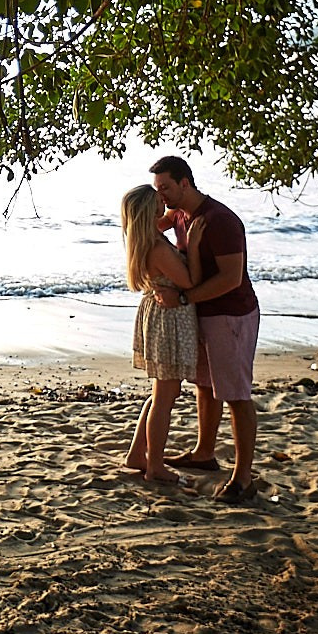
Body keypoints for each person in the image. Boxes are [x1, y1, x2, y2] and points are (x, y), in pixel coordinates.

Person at [149, 155, 261, 503]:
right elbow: (148, 225)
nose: (161, 195)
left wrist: (183, 297)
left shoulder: (220, 220)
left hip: (230, 314)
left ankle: (243, 478)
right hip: (202, 312)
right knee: (205, 386)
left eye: (165, 187)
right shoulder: (180, 213)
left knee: (236, 395)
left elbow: (231, 278)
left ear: (185, 183)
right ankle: (204, 453)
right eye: (157, 189)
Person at [119, 184, 201, 483]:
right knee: (164, 396)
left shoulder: (146, 240)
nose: (164, 203)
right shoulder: (156, 247)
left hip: (160, 315)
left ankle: (137, 454)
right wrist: (195, 244)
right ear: (151, 210)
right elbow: (190, 281)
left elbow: (167, 217)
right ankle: (154, 465)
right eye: (159, 202)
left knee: (162, 393)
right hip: (169, 318)